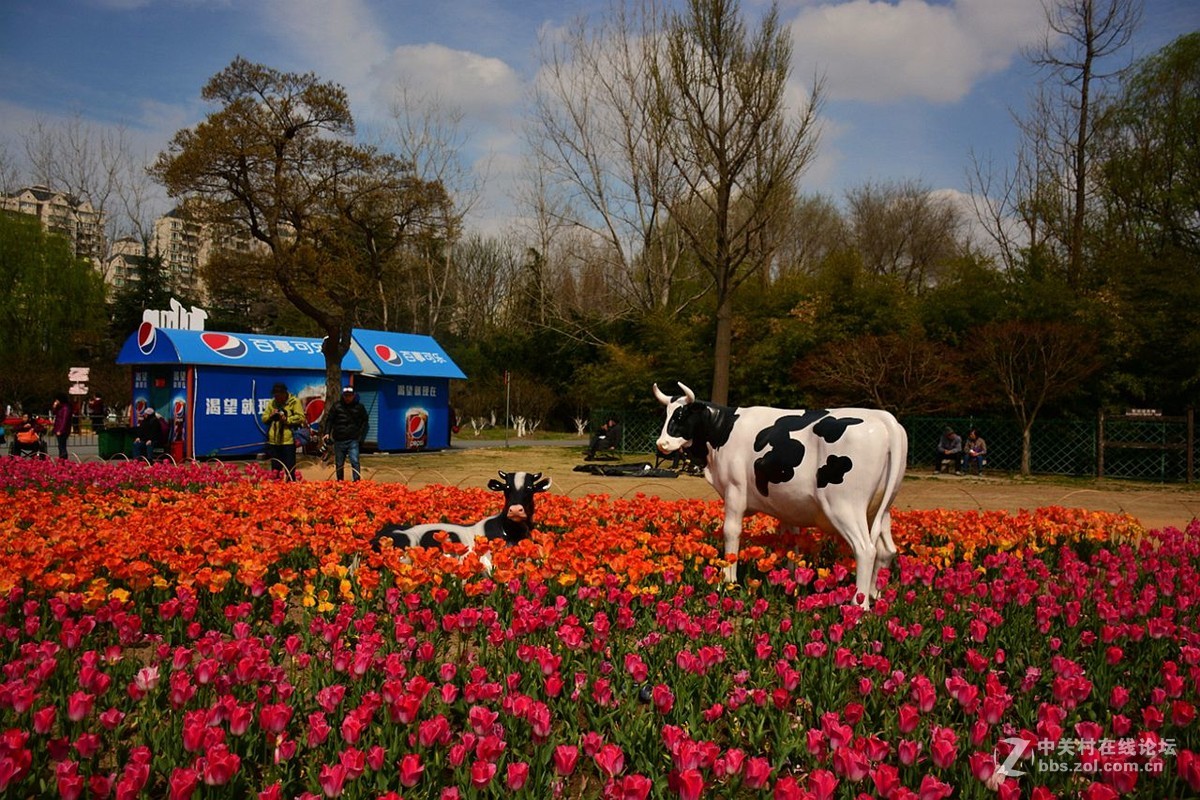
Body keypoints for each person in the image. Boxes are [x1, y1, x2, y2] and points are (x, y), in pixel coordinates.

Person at [325, 385, 369, 481]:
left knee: (355, 461)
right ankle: (340, 481)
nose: (348, 398)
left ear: (353, 396)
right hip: (339, 439)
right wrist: (327, 432)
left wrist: (361, 435)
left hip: (353, 439)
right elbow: (329, 420)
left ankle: (356, 481)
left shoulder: (359, 407)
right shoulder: (336, 406)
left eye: (350, 395)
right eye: (346, 396)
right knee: (339, 463)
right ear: (343, 396)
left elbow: (365, 421)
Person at [262, 382, 305, 480]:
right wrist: (271, 416)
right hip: (274, 440)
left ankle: (290, 489)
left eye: (278, 395)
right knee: (275, 470)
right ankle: (277, 491)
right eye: (275, 395)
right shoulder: (272, 403)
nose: (276, 397)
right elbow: (264, 418)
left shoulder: (294, 402)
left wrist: (286, 420)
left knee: (290, 468)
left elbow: (301, 417)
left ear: (284, 393)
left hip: (288, 440)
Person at [51, 395, 72, 460]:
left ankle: (63, 459)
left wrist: (60, 430)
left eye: (57, 400)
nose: (56, 401)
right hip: (58, 427)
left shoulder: (66, 408)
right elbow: (54, 413)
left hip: (63, 430)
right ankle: (61, 458)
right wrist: (54, 407)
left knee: (62, 445)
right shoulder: (60, 407)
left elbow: (64, 420)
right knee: (60, 445)